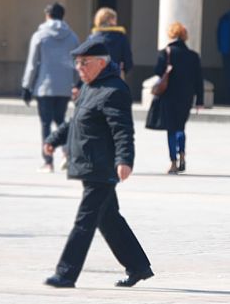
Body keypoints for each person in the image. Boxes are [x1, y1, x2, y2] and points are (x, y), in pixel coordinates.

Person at [43, 39, 153, 289]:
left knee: (86, 220)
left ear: (101, 63)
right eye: (77, 63)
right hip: (89, 164)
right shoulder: (89, 87)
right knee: (109, 218)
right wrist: (54, 139)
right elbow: (75, 122)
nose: (79, 68)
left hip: (101, 167)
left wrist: (125, 160)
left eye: (84, 63)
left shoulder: (115, 90)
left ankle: (66, 274)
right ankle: (138, 266)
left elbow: (123, 130)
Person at [21, 2, 79, 172]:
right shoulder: (72, 37)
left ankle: (48, 161)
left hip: (44, 87)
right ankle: (67, 154)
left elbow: (32, 63)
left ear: (47, 15)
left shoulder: (39, 36)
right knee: (61, 122)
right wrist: (76, 83)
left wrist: (26, 86)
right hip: (64, 86)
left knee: (45, 123)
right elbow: (77, 63)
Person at [151, 22, 203, 174]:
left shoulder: (165, 53)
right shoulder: (193, 56)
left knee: (171, 129)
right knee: (181, 127)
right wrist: (199, 100)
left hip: (169, 96)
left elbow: (158, 71)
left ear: (171, 35)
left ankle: (173, 162)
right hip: (186, 97)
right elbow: (198, 79)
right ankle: (182, 153)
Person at [89, 7, 133, 79]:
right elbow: (128, 62)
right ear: (111, 20)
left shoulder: (92, 38)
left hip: (96, 78)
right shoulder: (121, 37)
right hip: (115, 77)